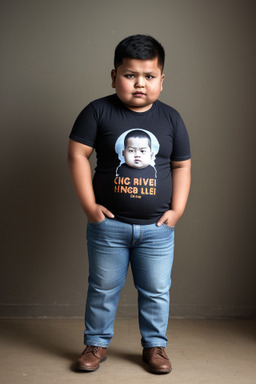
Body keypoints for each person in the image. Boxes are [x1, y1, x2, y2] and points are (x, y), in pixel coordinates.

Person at [68, 34, 191, 374]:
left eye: (149, 77)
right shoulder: (98, 111)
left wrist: (177, 210)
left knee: (155, 290)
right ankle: (96, 344)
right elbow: (77, 154)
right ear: (114, 76)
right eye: (130, 75)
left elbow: (181, 165)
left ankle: (155, 347)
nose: (140, 84)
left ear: (162, 81)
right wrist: (89, 207)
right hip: (109, 226)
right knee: (103, 287)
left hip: (157, 229)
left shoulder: (171, 119)